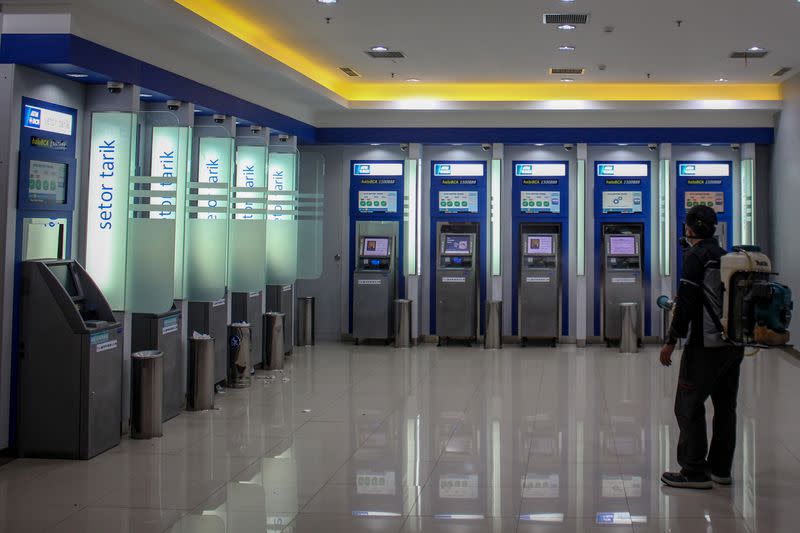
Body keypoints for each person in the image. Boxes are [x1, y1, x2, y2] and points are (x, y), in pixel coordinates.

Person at [660, 205, 745, 490]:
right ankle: (721, 469)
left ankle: (694, 471)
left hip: (705, 345)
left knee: (688, 405)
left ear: (690, 228)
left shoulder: (695, 256)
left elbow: (685, 305)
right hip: (732, 344)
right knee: (725, 408)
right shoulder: (727, 257)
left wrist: (671, 341)